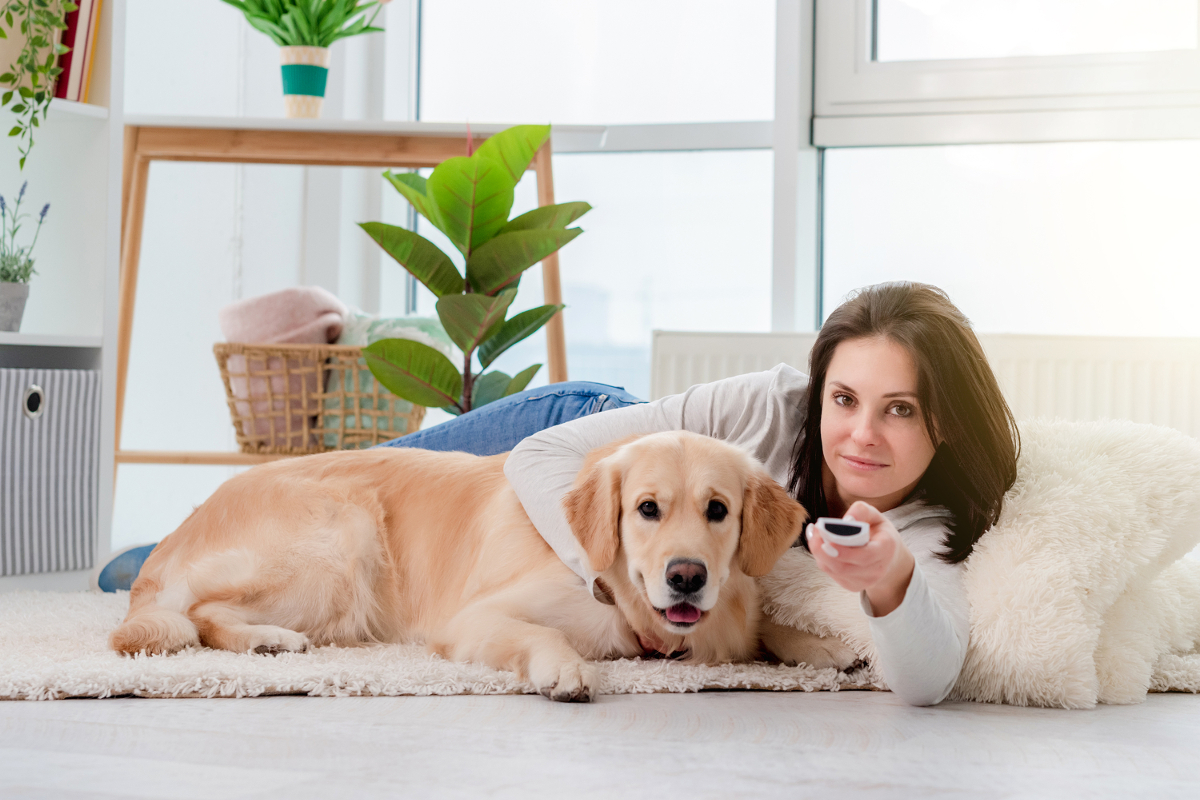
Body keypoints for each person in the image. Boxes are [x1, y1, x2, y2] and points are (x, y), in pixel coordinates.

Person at [95, 281, 1019, 706]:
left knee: (334, 511)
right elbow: (548, 469)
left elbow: (926, 673)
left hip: (617, 479)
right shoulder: (761, 412)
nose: (861, 432)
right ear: (814, 394)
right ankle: (182, 584)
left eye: (899, 411)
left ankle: (170, 565)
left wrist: (890, 581)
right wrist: (609, 578)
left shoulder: (914, 514)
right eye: (844, 400)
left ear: (941, 424)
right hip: (572, 437)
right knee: (340, 524)